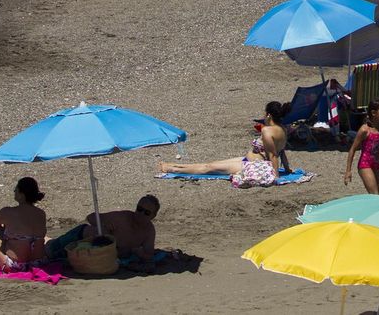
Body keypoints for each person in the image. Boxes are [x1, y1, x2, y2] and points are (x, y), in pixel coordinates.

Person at [163, 101, 294, 188]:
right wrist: (287, 169)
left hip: (251, 165)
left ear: (269, 115)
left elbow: (273, 154)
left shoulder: (267, 130)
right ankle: (174, 165)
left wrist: (275, 176)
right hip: (248, 160)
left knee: (209, 168)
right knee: (212, 164)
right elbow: (281, 150)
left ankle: (172, 169)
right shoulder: (283, 129)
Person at [0, 177, 47, 271]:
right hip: (37, 264)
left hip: (14, 266)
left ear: (22, 195)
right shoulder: (41, 214)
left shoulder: (7, 212)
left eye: (16, 190)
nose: (14, 191)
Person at [80, 196, 159, 263]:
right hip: (80, 237)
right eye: (139, 209)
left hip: (100, 257)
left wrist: (140, 254)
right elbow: (90, 217)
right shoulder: (121, 218)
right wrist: (103, 225)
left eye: (147, 213)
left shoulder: (148, 231)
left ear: (153, 216)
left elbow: (149, 255)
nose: (141, 214)